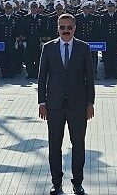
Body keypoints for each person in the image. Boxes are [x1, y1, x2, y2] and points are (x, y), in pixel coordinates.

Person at [38, 13, 95, 195]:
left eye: (69, 27)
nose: (66, 31)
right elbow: (42, 78)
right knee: (55, 145)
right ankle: (57, 183)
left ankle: (77, 183)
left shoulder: (84, 48)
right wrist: (42, 102)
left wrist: (90, 103)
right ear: (57, 28)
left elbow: (90, 78)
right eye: (62, 27)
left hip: (78, 105)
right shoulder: (48, 48)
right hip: (53, 105)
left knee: (78, 144)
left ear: (74, 28)